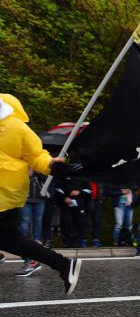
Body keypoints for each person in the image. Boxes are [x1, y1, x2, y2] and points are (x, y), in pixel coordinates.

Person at [0, 93, 81, 295]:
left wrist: (52, 164)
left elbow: (36, 155)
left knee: (11, 240)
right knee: (10, 240)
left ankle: (63, 264)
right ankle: (63, 264)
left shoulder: (15, 127)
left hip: (5, 194)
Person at [15, 170, 48, 276]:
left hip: (40, 198)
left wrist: (37, 170)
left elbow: (48, 179)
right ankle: (25, 241)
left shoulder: (39, 166)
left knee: (37, 221)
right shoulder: (22, 167)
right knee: (25, 222)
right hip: (26, 198)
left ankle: (36, 240)